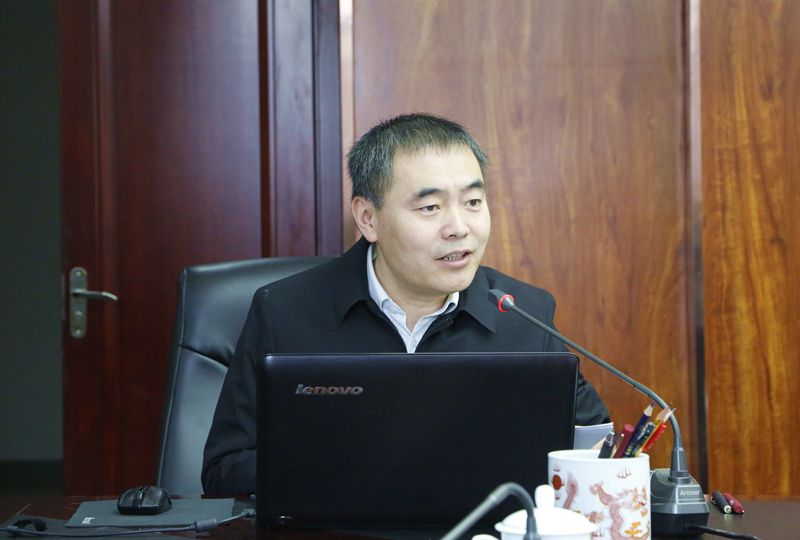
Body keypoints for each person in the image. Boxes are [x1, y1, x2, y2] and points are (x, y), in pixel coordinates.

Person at [202, 113, 610, 495]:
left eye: (473, 202)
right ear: (368, 218)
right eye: (430, 208)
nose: (459, 228)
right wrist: (354, 467)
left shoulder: (524, 315)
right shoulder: (284, 312)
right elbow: (224, 469)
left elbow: (597, 448)